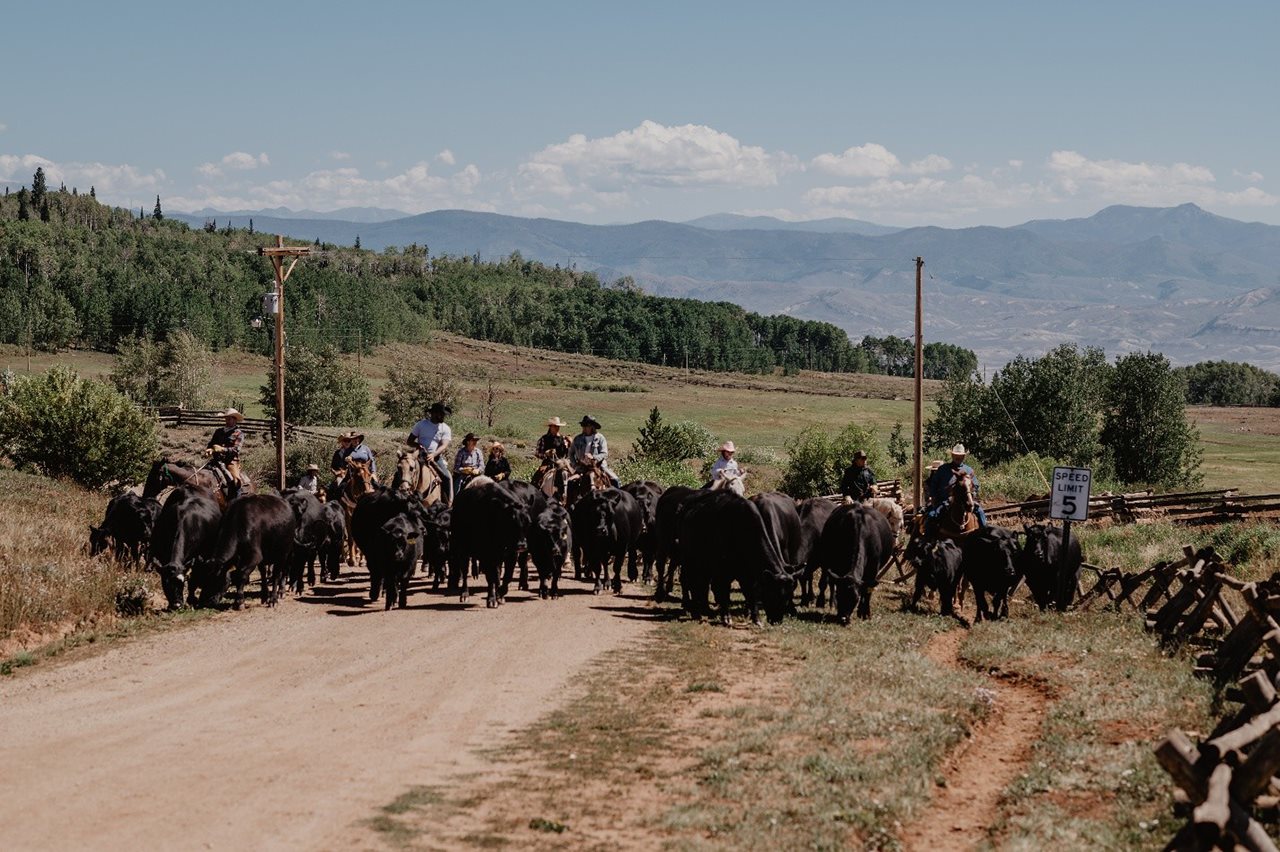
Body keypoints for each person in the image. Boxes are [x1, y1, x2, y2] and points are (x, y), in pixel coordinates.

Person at [925, 443, 987, 529]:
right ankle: (928, 539)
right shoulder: (943, 469)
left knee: (980, 512)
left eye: (961, 455)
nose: (958, 457)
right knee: (932, 516)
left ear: (964, 457)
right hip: (945, 501)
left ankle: (984, 533)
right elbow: (934, 484)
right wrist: (934, 497)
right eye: (956, 455)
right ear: (952, 455)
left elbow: (976, 485)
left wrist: (972, 494)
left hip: (966, 501)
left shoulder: (969, 470)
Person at [408, 402, 453, 505]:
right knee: (402, 472)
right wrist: (418, 446)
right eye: (441, 414)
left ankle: (447, 503)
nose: (443, 417)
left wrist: (433, 455)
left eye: (443, 414)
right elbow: (409, 441)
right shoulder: (421, 424)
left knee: (446, 477)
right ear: (433, 413)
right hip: (419, 456)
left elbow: (444, 445)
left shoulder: (445, 428)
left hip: (435, 458)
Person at [203, 408, 247, 496]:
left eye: (229, 418)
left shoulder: (239, 434)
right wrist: (210, 449)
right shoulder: (218, 431)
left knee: (235, 481)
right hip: (216, 460)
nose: (227, 420)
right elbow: (211, 444)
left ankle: (237, 500)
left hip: (230, 461)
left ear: (235, 420)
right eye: (226, 418)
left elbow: (236, 450)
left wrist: (222, 449)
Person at [571, 415, 619, 487]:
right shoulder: (577, 439)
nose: (584, 427)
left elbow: (604, 453)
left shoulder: (600, 438)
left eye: (586, 425)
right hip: (582, 467)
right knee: (569, 482)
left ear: (592, 427)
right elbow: (571, 453)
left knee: (615, 480)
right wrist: (575, 465)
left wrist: (593, 457)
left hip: (598, 467)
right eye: (583, 425)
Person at [533, 416, 571, 486]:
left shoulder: (564, 439)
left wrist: (570, 445)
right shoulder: (543, 439)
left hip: (562, 464)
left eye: (558, 426)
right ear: (550, 427)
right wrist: (546, 454)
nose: (557, 428)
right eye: (555, 426)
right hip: (548, 463)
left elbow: (568, 454)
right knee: (537, 478)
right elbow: (537, 453)